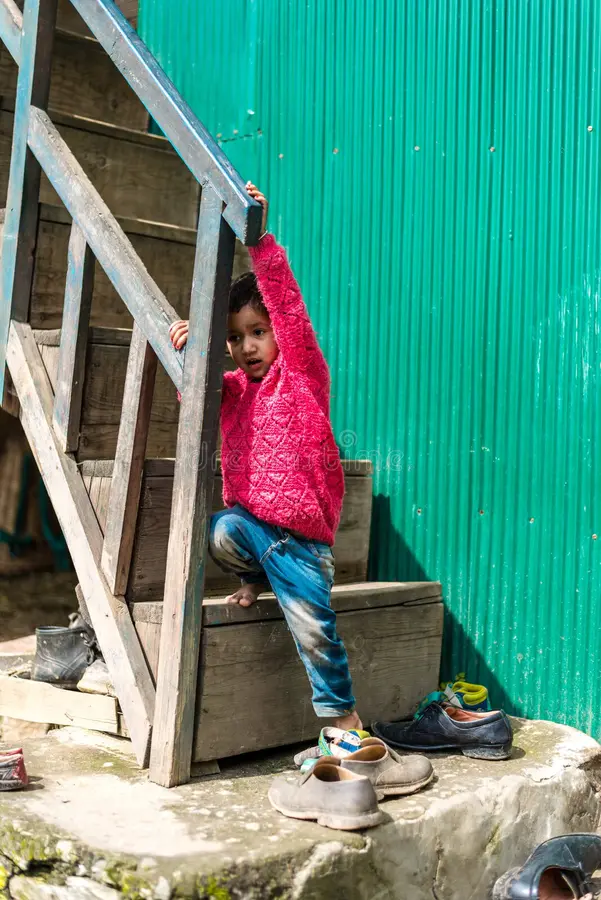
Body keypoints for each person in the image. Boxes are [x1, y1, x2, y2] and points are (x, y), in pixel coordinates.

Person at [169, 183, 361, 733]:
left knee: (314, 632)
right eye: (234, 338)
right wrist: (193, 347)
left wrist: (258, 239)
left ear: (278, 334)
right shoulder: (232, 389)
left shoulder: (300, 375)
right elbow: (197, 394)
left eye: (258, 332)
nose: (247, 346)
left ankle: (345, 727)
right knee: (221, 529)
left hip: (302, 547)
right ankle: (258, 578)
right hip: (257, 533)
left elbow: (290, 312)